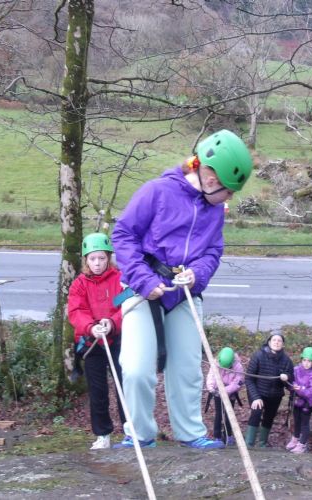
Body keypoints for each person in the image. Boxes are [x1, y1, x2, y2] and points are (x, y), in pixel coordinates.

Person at [111, 129, 253, 450]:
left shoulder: (214, 211)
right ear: (211, 179)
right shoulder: (157, 191)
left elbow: (213, 251)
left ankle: (190, 433)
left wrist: (196, 274)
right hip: (142, 289)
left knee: (187, 370)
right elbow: (123, 235)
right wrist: (144, 280)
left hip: (182, 294)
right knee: (136, 369)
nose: (229, 198)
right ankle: (140, 434)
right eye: (229, 191)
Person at [68, 232, 126, 450]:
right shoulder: (79, 284)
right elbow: (76, 311)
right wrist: (91, 327)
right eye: (93, 259)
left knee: (125, 386)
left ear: (108, 258)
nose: (98, 263)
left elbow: (125, 305)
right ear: (86, 260)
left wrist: (112, 322)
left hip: (117, 339)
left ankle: (131, 430)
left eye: (102, 258)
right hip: (92, 343)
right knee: (97, 390)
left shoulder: (120, 279)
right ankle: (103, 434)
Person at [245, 333, 294, 448]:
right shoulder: (258, 356)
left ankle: (262, 444)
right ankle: (249, 444)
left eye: (279, 341)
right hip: (258, 392)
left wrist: (287, 378)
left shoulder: (287, 360)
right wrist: (255, 397)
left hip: (275, 395)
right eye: (274, 340)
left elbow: (290, 380)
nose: (276, 342)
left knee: (269, 417)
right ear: (269, 342)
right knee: (256, 413)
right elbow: (249, 379)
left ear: (283, 344)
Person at [286, 346, 312, 454]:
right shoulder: (296, 370)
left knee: (304, 423)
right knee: (296, 421)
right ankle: (295, 438)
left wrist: (301, 390)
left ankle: (302, 444)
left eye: (309, 361)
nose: (306, 363)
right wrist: (292, 386)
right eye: (304, 360)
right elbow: (291, 380)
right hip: (296, 401)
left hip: (306, 403)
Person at [205, 347, 244, 445]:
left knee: (228, 414)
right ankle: (217, 436)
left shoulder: (238, 366)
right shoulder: (216, 363)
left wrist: (225, 390)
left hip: (230, 392)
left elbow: (238, 382)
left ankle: (228, 435)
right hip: (218, 390)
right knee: (219, 413)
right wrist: (211, 388)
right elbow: (211, 376)